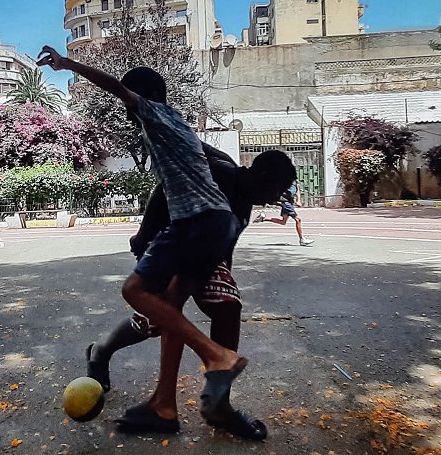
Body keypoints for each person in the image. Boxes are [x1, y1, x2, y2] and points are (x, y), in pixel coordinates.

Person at [37, 46, 250, 430]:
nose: (125, 109)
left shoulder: (153, 113)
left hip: (195, 223)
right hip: (210, 224)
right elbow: (204, 163)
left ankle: (216, 360)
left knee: (137, 292)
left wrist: (66, 64)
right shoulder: (178, 125)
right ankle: (163, 404)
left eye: (128, 101)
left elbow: (114, 87)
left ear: (140, 97)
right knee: (166, 308)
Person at [88, 146, 294, 439]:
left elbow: (224, 246)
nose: (276, 199)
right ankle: (102, 351)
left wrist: (219, 276)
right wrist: (145, 236)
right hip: (167, 240)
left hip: (201, 252)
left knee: (226, 304)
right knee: (158, 318)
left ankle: (218, 403)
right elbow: (165, 188)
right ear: (260, 175)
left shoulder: (245, 202)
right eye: (276, 189)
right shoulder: (217, 173)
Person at [259, 181, 312, 246]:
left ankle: (263, 219)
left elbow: (297, 189)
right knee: (298, 220)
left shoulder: (294, 181)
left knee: (283, 222)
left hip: (290, 202)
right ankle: (302, 239)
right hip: (285, 202)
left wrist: (298, 200)